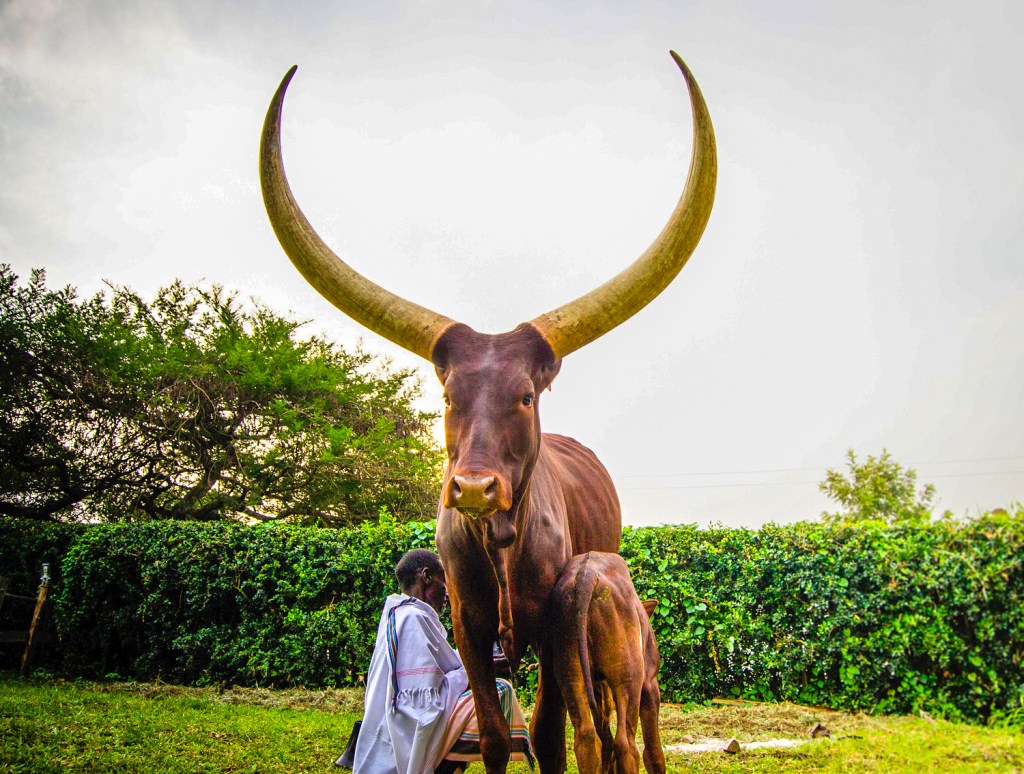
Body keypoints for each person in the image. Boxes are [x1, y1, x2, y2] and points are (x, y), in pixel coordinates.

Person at [344, 549, 531, 774]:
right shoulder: (412, 619)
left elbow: (438, 672)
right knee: (500, 692)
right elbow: (423, 705)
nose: (449, 590)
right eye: (445, 578)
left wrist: (475, 661)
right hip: (402, 743)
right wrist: (476, 670)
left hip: (391, 735)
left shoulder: (402, 614)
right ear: (427, 576)